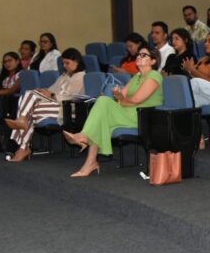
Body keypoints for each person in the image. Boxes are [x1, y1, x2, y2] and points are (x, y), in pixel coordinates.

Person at [63, 46, 163, 177]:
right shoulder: (137, 77)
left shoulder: (154, 75)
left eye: (144, 55)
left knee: (103, 104)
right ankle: (90, 162)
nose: (139, 56)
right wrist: (119, 96)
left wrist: (121, 98)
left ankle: (85, 139)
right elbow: (123, 97)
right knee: (103, 104)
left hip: (142, 116)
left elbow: (136, 100)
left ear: (153, 61)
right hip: (128, 111)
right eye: (139, 54)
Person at [5, 48, 86, 162]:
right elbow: (51, 90)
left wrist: (50, 94)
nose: (64, 66)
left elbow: (72, 97)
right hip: (54, 104)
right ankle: (23, 145)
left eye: (67, 63)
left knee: (30, 108)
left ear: (76, 61)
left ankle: (23, 144)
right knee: (29, 94)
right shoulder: (64, 76)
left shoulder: (81, 76)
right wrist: (43, 91)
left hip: (67, 108)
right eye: (63, 63)